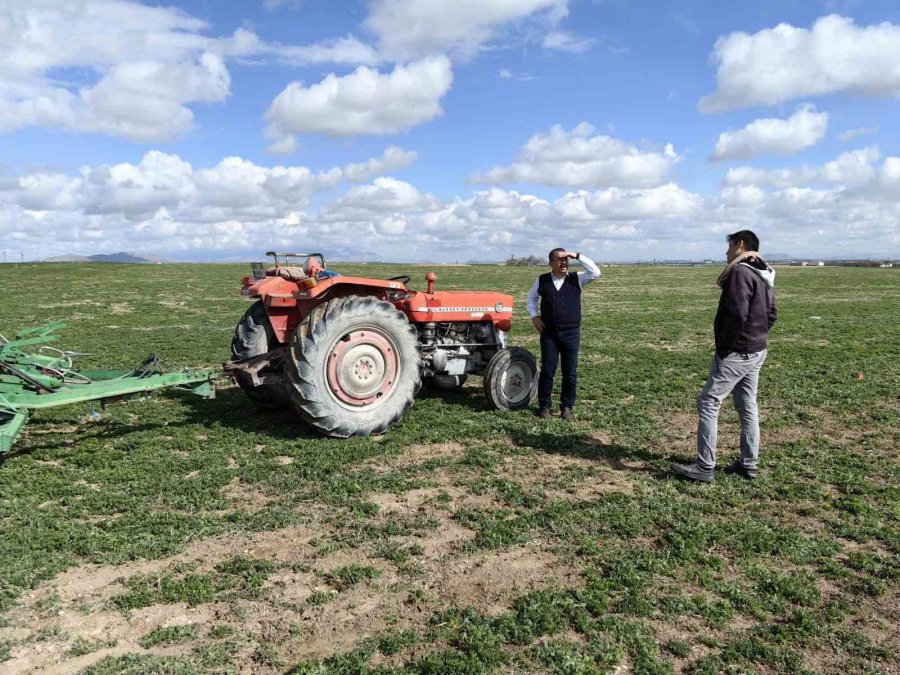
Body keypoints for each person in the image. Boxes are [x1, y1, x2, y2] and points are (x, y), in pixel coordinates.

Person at [673, 230, 777, 482]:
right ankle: (749, 463)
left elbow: (737, 315)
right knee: (747, 404)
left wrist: (725, 348)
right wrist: (757, 335)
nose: (726, 251)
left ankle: (704, 466)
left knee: (708, 401)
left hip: (738, 351)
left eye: (729, 246)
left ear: (740, 245)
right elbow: (772, 313)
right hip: (757, 348)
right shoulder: (763, 271)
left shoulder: (741, 272)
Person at [526, 248, 600, 421]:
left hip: (571, 333)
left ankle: (566, 407)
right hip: (549, 334)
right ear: (551, 263)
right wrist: (534, 316)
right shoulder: (542, 280)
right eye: (560, 259)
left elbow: (596, 272)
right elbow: (531, 298)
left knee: (570, 372)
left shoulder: (577, 278)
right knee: (548, 371)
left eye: (566, 259)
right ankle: (544, 407)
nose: (564, 262)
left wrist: (577, 256)